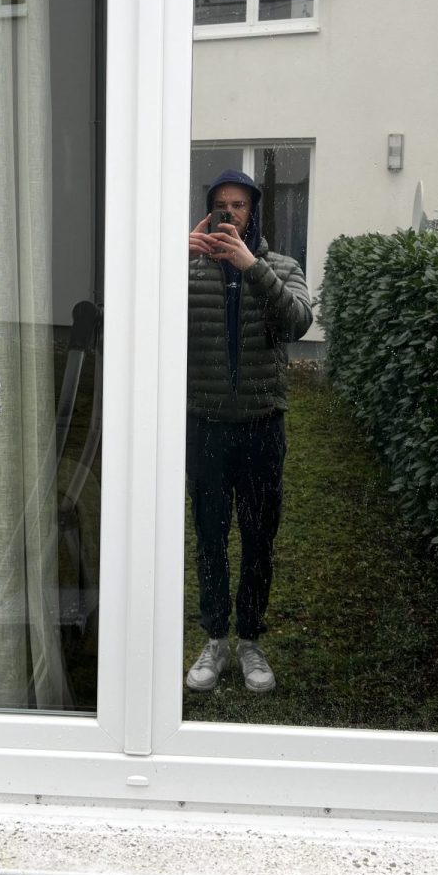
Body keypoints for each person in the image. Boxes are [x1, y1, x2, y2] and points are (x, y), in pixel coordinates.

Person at [185, 169, 313, 694]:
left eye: (239, 205)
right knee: (210, 536)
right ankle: (216, 639)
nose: (230, 213)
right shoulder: (188, 269)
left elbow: (297, 323)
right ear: (209, 210)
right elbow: (143, 317)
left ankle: (251, 640)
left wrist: (252, 267)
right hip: (205, 424)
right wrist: (176, 257)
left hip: (262, 425)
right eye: (221, 204)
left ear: (253, 212)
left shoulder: (280, 266)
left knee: (260, 538)